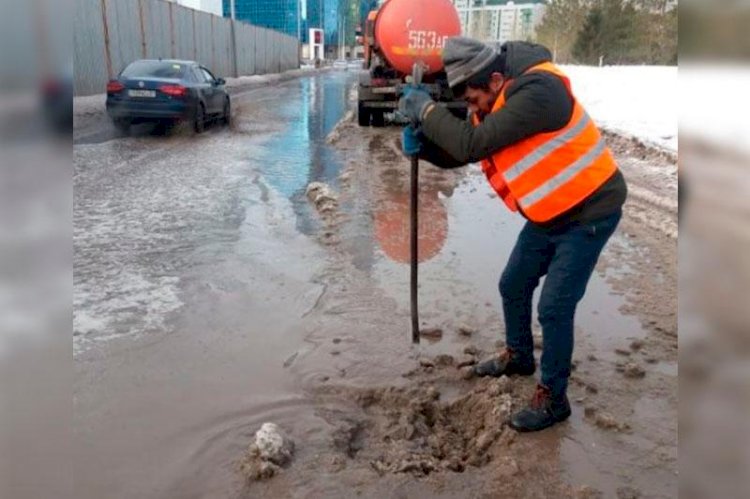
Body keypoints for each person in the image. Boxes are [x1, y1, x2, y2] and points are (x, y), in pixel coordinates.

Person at [398, 37, 627, 432]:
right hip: (551, 212)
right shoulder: (494, 99)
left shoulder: (541, 91)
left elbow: (472, 144)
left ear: (496, 79)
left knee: (554, 306)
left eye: (472, 100)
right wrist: (425, 147)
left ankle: (554, 399)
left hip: (591, 209)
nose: (472, 110)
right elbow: (464, 149)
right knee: (514, 284)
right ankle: (520, 356)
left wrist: (429, 110)